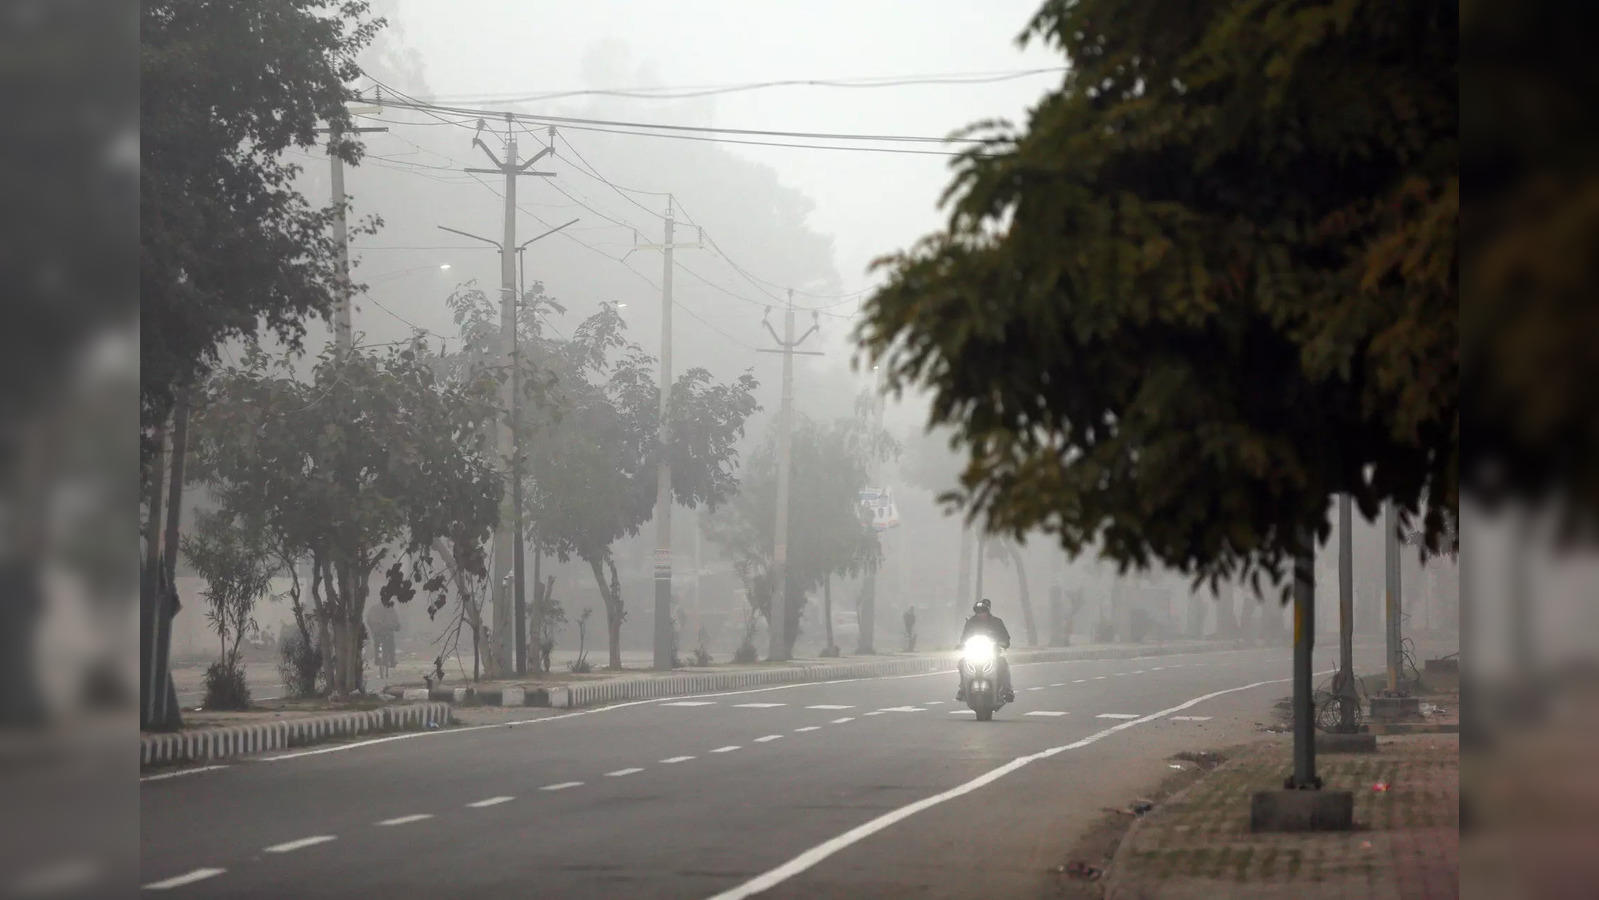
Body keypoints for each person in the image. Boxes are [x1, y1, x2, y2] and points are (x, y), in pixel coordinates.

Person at [956, 598, 1014, 702]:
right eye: (978, 611)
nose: (980, 613)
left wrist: (1003, 643)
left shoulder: (997, 622)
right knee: (961, 663)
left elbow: (1006, 638)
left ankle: (1007, 690)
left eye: (983, 611)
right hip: (974, 653)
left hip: (993, 654)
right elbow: (964, 637)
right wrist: (961, 645)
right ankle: (963, 689)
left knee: (1003, 663)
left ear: (988, 611)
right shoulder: (970, 622)